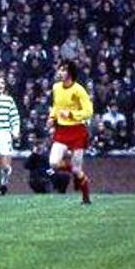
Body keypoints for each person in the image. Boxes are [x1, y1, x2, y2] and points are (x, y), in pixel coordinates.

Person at [47, 60, 94, 205]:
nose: (60, 73)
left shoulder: (79, 90)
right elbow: (56, 106)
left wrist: (72, 114)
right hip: (62, 130)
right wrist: (52, 117)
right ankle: (73, 170)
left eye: (63, 70)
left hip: (77, 131)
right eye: (59, 70)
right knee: (54, 162)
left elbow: (88, 111)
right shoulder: (56, 87)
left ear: (70, 73)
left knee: (77, 170)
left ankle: (86, 197)